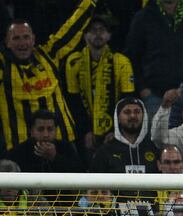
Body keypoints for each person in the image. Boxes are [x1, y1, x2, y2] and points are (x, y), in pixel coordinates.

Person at [0, 1, 95, 152]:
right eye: (16, 38)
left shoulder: (48, 55)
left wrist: (90, 2)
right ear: (7, 42)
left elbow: (72, 27)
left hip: (62, 142)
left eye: (26, 37)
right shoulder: (3, 65)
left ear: (33, 39)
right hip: (21, 149)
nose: (22, 43)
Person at [64, 13, 136, 152]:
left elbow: (127, 100)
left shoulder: (122, 61)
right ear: (84, 35)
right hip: (84, 128)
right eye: (92, 30)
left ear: (109, 35)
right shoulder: (73, 61)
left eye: (102, 30)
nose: (97, 34)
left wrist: (116, 130)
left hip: (114, 129)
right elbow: (74, 101)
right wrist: (85, 131)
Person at [125, 0, 183, 116]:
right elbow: (131, 57)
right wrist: (143, 89)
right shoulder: (142, 18)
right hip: (154, 97)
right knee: (157, 134)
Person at [89, 96, 160, 174]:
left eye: (137, 112)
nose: (133, 116)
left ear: (143, 116)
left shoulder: (153, 149)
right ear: (118, 118)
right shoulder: (105, 152)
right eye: (127, 112)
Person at [3, 109, 82, 173]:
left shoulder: (66, 147)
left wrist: (55, 157)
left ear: (56, 131)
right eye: (40, 129)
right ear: (31, 131)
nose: (46, 134)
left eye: (50, 129)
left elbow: (79, 172)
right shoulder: (18, 152)